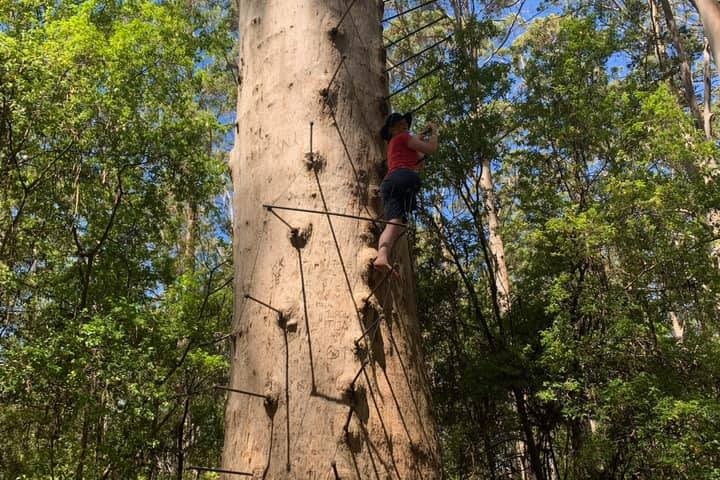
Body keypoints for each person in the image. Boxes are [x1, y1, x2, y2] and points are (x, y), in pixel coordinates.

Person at [373, 112, 438, 273]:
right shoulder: (403, 138)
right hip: (401, 178)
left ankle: (382, 256)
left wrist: (419, 140)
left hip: (391, 182)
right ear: (392, 130)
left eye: (406, 125)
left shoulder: (396, 145)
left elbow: (418, 163)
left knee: (396, 223)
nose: (405, 127)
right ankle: (382, 255)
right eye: (400, 125)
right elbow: (431, 149)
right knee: (396, 223)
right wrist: (435, 132)